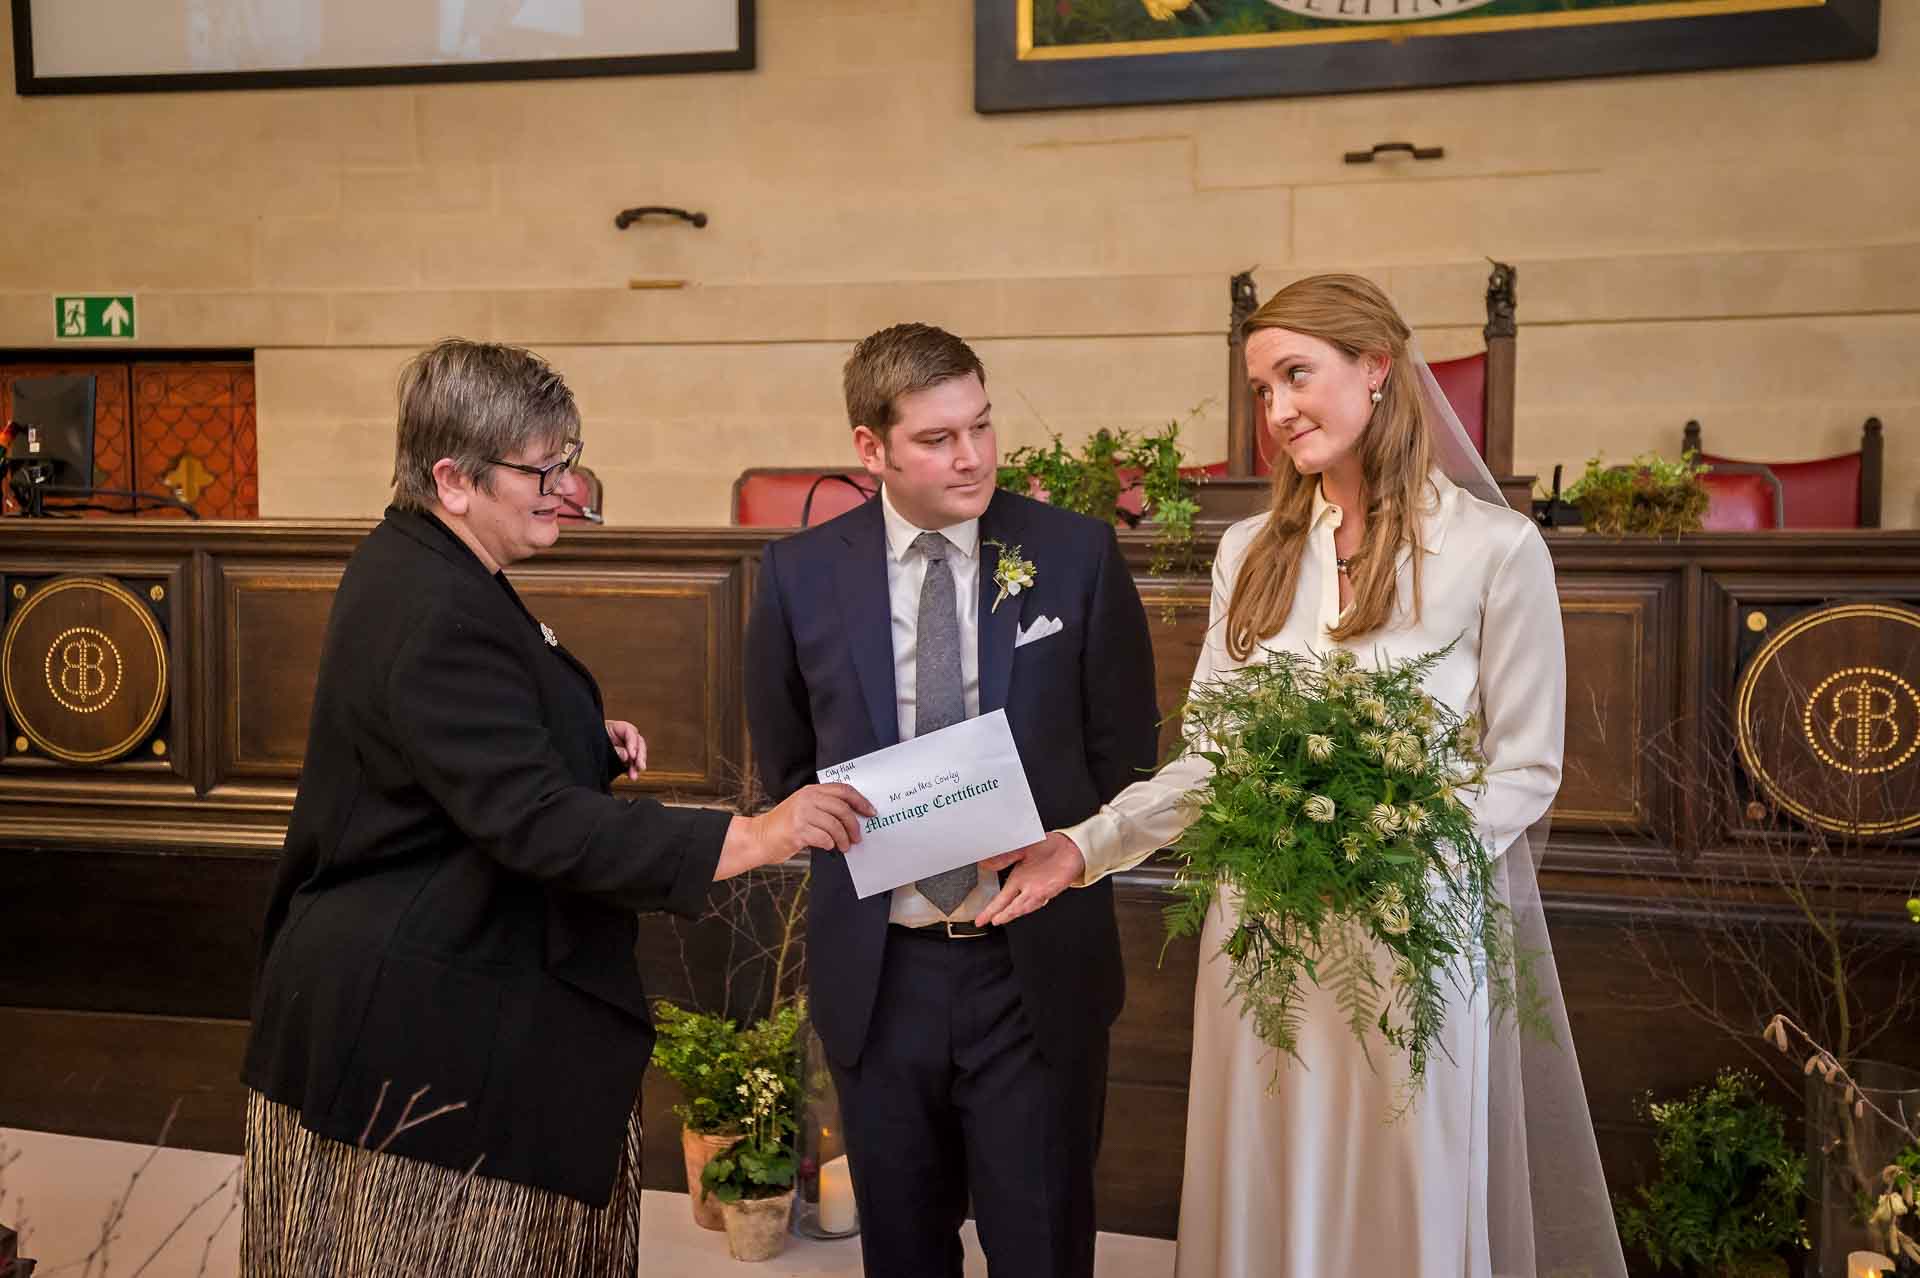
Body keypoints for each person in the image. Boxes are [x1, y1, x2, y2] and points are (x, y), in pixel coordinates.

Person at [993, 276, 1628, 1277]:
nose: (1277, 410)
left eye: (1297, 375)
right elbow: (1213, 755)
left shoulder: (1496, 551)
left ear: (1377, 369)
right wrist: (1088, 843)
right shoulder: (1249, 552)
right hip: (1266, 935)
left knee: (1401, 1188)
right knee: (1267, 1181)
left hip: (1411, 936)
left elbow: (1526, 769)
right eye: (1260, 389)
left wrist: (1397, 847)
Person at [240, 338, 870, 1276]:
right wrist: (758, 833)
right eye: (542, 470)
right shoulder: (435, 606)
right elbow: (535, 822)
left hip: (417, 975)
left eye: (568, 462)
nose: (565, 490)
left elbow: (457, 741)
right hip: (423, 1020)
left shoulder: (423, 561)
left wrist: (574, 729)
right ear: (453, 479)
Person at [744, 323, 1159, 1278]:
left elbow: (1125, 750)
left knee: (1043, 1246)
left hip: (1032, 965)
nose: (970, 456)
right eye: (936, 440)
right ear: (870, 449)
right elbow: (789, 765)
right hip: (881, 973)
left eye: (980, 426)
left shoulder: (1076, 553)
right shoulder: (799, 575)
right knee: (904, 1252)